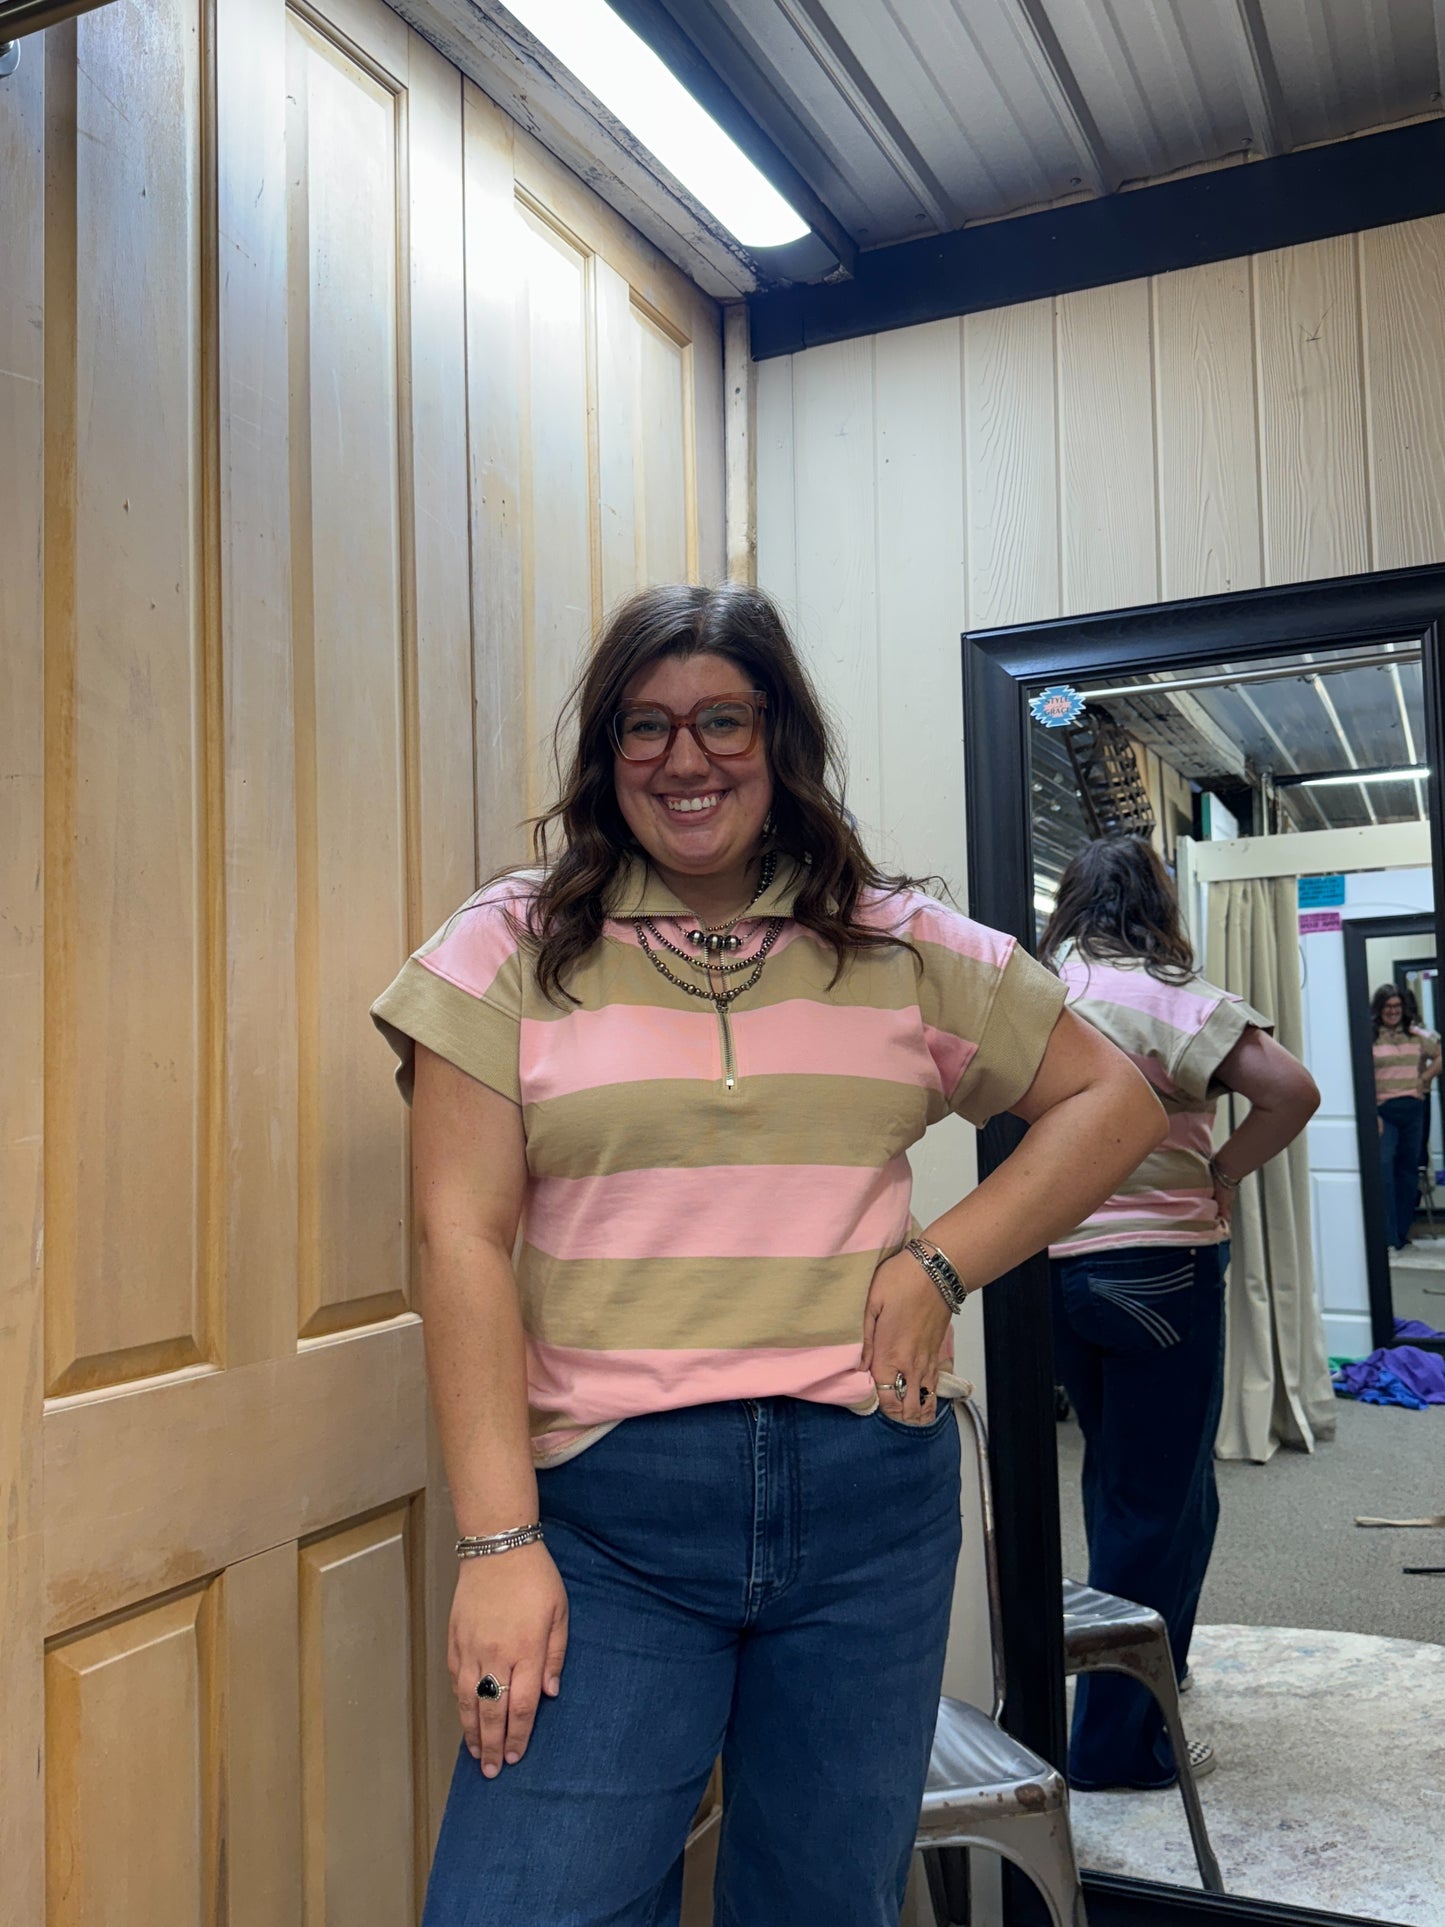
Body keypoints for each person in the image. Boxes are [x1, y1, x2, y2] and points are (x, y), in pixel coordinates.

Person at [372, 583, 1166, 1926]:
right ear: (607, 751)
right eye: (646, 725)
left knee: (817, 1903)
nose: (685, 758)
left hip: (867, 1501)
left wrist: (938, 1264)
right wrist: (497, 1539)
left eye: (722, 718)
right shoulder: (506, 945)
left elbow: (1117, 1101)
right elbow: (461, 1233)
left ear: (777, 733)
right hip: (611, 1514)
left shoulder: (897, 944)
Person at [1040, 837, 1319, 1794]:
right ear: (1154, 902)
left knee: (1122, 1490)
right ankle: (1117, 1745)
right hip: (1160, 1268)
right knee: (1161, 1503)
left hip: (1056, 1270)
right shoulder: (1168, 994)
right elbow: (1291, 1091)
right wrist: (1223, 1169)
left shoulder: (1036, 993)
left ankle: (1155, 1668)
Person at [1372, 984, 1440, 1250]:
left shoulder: (1417, 1035)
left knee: (1408, 1173)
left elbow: (1439, 1056)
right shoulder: (1371, 1036)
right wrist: (1371, 1114)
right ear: (1380, 1009)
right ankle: (1388, 1235)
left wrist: (1424, 1078)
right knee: (1385, 1171)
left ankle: (1402, 1233)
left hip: (1412, 1109)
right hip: (1383, 1111)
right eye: (1388, 1007)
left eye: (1397, 1007)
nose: (1393, 1011)